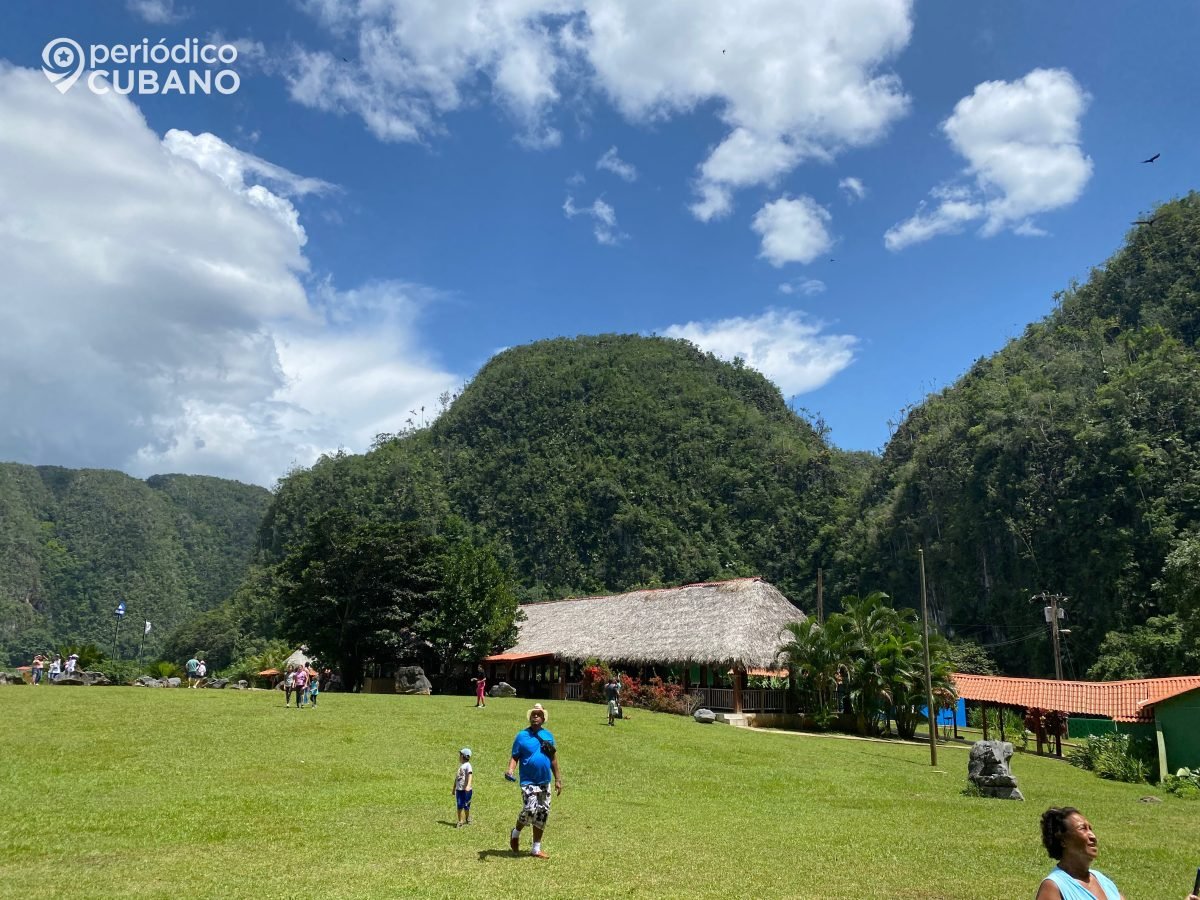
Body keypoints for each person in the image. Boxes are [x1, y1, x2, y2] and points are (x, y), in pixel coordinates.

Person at [504, 703, 562, 859]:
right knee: (530, 809)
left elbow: (553, 758)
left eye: (538, 714)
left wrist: (557, 778)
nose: (535, 716)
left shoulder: (548, 736)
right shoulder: (522, 736)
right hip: (528, 781)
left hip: (544, 780)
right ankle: (515, 833)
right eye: (533, 714)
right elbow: (515, 756)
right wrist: (510, 769)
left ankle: (536, 848)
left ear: (543, 719)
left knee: (542, 813)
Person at [1036, 807, 1125, 900]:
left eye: (1090, 829)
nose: (1093, 836)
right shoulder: (1054, 887)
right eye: (1083, 829)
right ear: (1063, 840)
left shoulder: (1104, 881)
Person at [454, 748, 474, 827]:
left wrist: (468, 785)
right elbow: (457, 779)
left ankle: (467, 817)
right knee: (459, 805)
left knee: (466, 806)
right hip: (459, 790)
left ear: (463, 756)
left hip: (466, 790)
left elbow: (470, 775)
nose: (459, 757)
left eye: (460, 755)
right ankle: (460, 821)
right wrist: (454, 788)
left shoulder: (468, 766)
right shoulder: (461, 767)